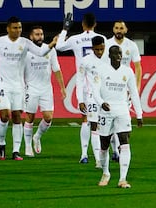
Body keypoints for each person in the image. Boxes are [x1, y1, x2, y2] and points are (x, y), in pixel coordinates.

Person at [0, 16, 57, 161]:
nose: (18, 30)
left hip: (19, 86)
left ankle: (16, 151)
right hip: (3, 85)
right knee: (4, 115)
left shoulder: (25, 43)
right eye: (15, 28)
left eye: (19, 28)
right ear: (8, 29)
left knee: (17, 117)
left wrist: (51, 45)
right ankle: (1, 144)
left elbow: (40, 53)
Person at [56, 12, 107, 165]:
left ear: (83, 24)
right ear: (95, 24)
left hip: (83, 83)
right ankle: (102, 156)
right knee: (99, 122)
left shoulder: (75, 39)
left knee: (85, 120)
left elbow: (58, 46)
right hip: (99, 84)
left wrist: (65, 29)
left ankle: (84, 154)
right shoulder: (102, 39)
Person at [93, 45, 143, 188]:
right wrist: (101, 103)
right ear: (110, 55)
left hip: (122, 110)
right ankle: (106, 172)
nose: (118, 56)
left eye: (120, 53)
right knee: (104, 144)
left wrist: (139, 114)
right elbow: (95, 90)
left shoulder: (128, 71)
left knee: (124, 142)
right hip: (106, 111)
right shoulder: (101, 70)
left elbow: (133, 93)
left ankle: (123, 179)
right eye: (115, 54)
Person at [23, 26, 66, 157]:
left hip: (46, 88)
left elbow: (56, 69)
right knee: (30, 117)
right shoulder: (26, 51)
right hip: (31, 88)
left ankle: (37, 136)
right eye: (37, 34)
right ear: (31, 37)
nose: (40, 36)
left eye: (41, 34)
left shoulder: (50, 50)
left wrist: (62, 87)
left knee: (48, 117)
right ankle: (28, 146)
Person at [103, 20, 143, 162]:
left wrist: (136, 87)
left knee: (123, 121)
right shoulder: (107, 44)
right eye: (116, 28)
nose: (119, 30)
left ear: (125, 30)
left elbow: (138, 67)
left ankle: (120, 147)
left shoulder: (131, 46)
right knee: (111, 122)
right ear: (113, 29)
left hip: (124, 88)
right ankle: (115, 150)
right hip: (110, 88)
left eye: (121, 28)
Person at [76, 35, 106, 168]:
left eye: (102, 49)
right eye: (97, 49)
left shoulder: (108, 58)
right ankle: (97, 159)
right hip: (92, 96)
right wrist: (80, 99)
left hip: (106, 97)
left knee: (105, 127)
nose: (100, 52)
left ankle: (112, 152)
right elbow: (79, 80)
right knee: (94, 125)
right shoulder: (85, 61)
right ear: (92, 48)